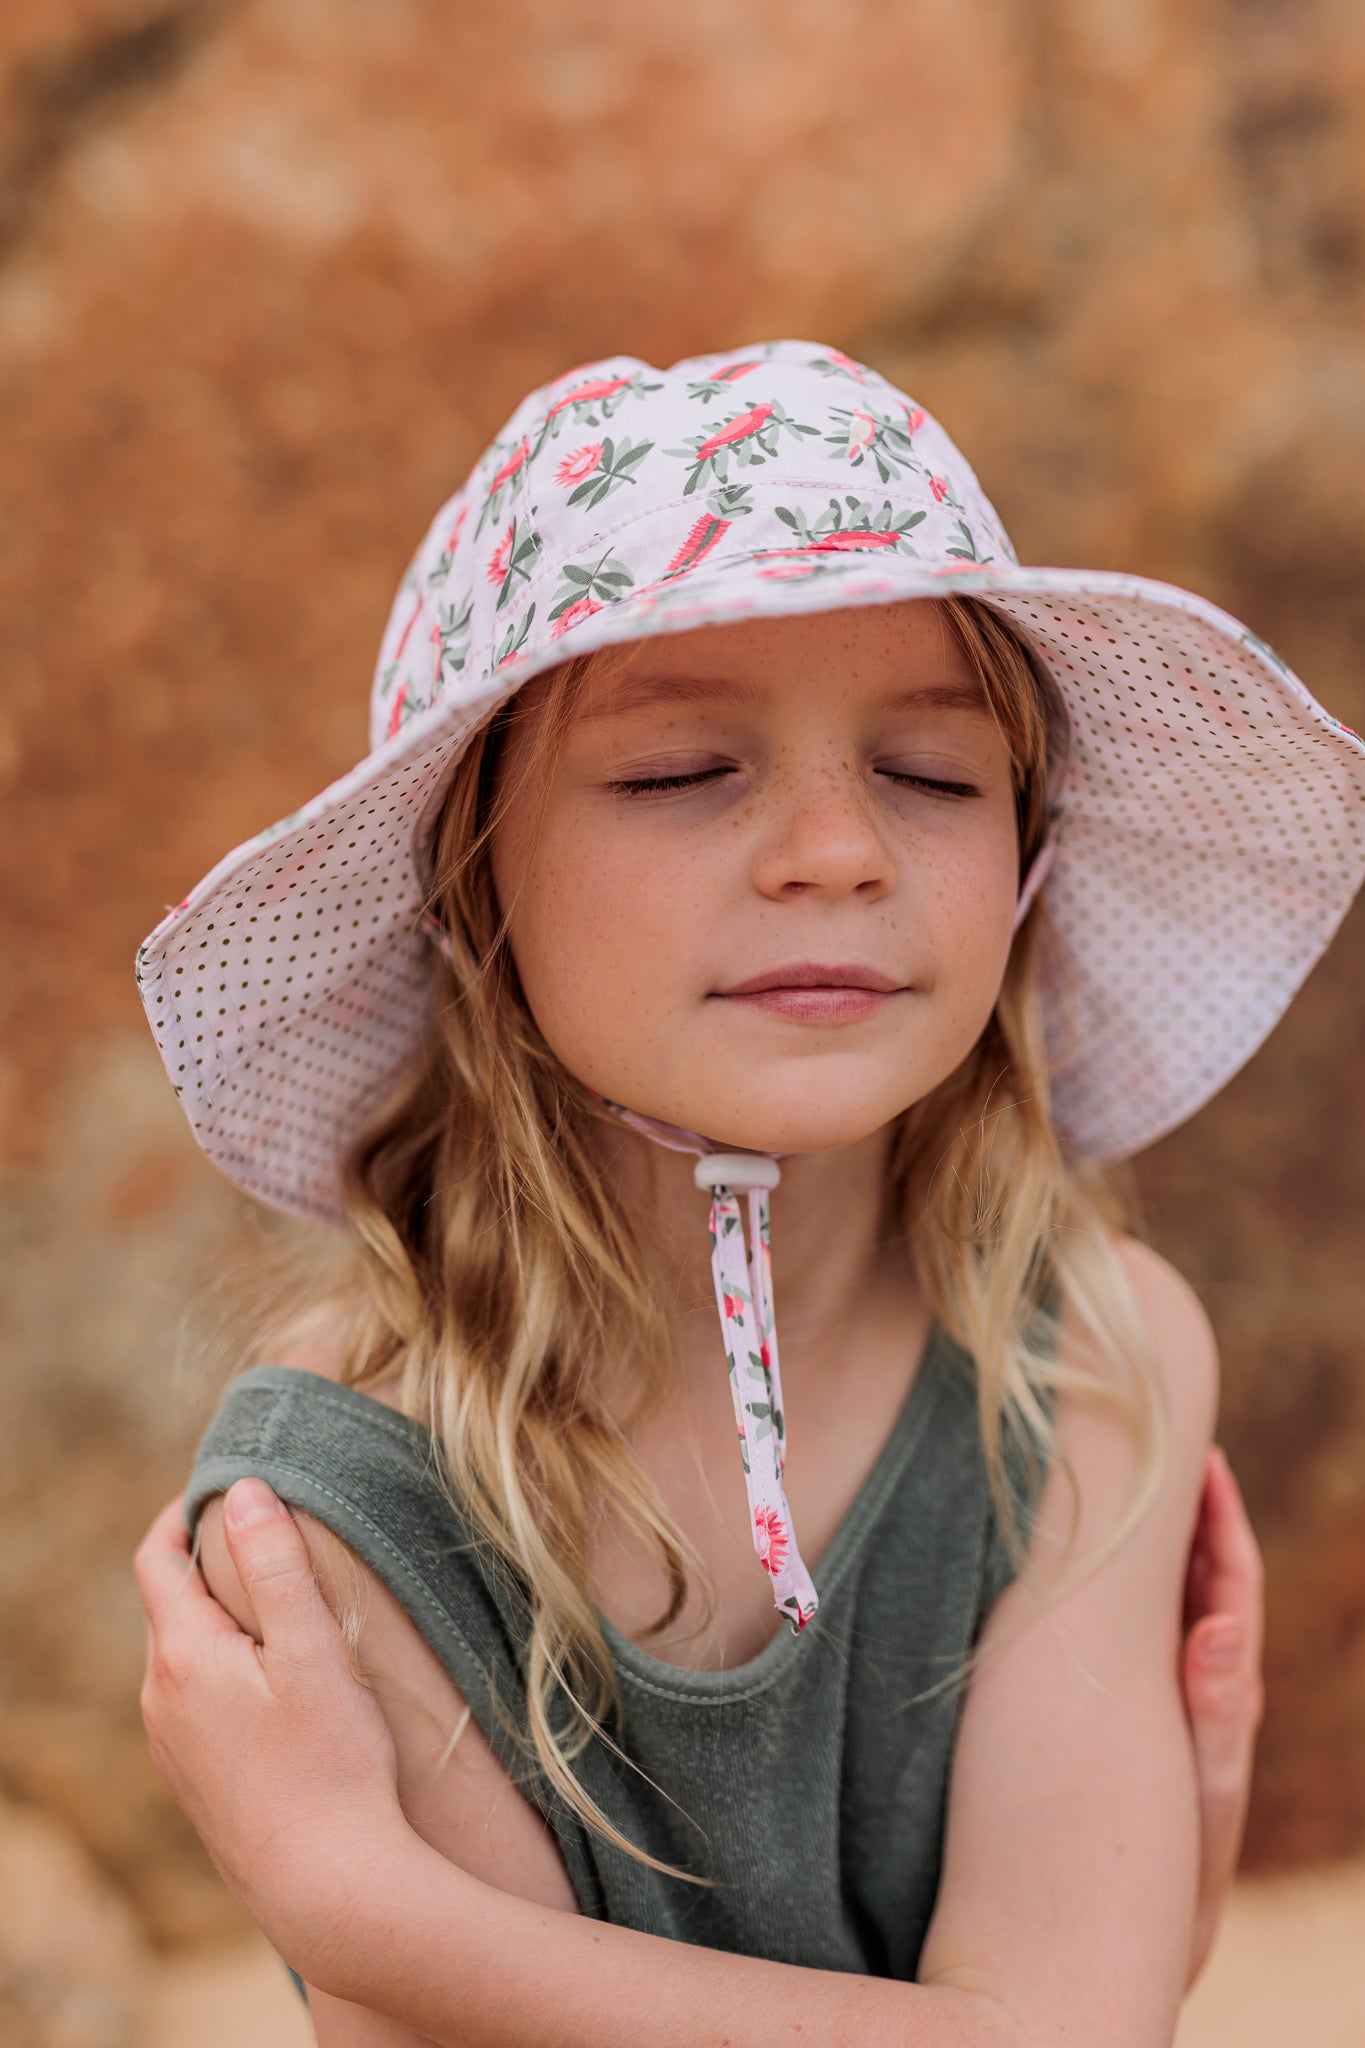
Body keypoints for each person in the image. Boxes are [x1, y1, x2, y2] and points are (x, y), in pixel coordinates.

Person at [132, 340, 1361, 2046]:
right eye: (673, 773)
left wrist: (375, 1917)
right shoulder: (344, 1501)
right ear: (470, 886)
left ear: (1027, 859)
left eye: (931, 776)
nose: (834, 850)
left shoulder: (1081, 1360)